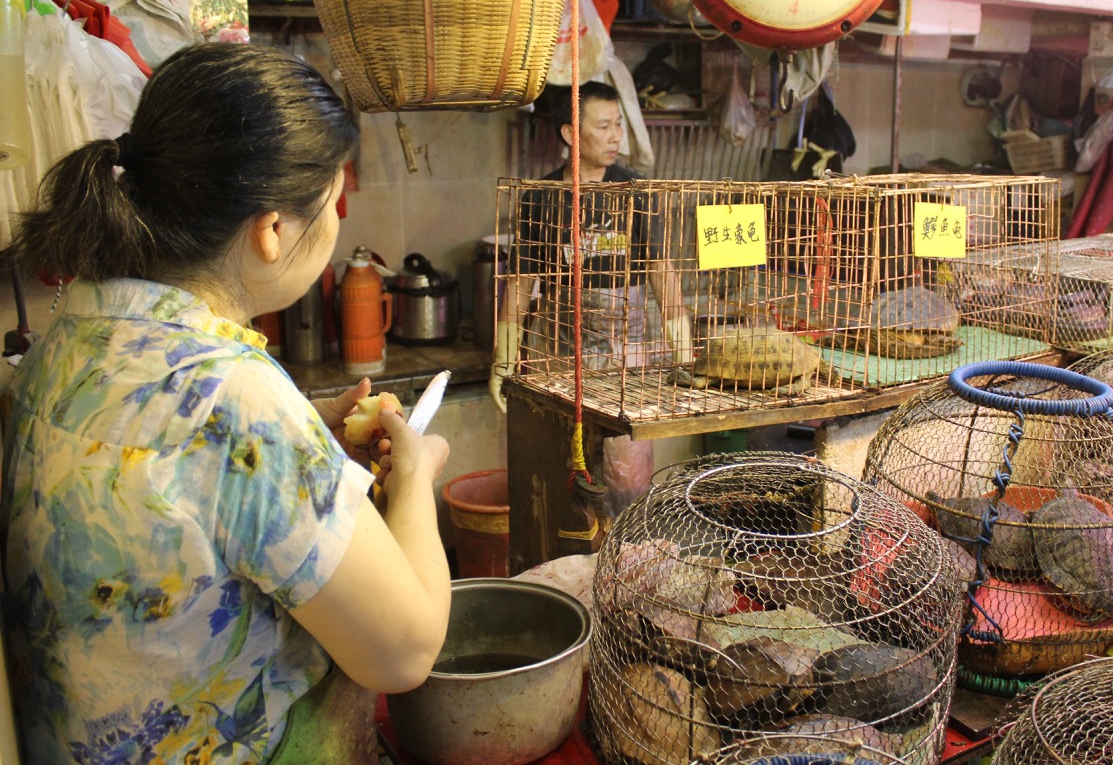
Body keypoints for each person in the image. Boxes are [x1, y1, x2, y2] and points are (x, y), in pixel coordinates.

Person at [0, 43, 451, 764]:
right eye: (333, 201)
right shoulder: (237, 403)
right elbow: (406, 649)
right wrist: (416, 478)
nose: (336, 221)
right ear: (272, 231)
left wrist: (310, 440)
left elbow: (186, 478)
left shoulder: (72, 334)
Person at [488, 81, 691, 511]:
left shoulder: (636, 191)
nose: (617, 135)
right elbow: (522, 279)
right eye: (604, 126)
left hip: (626, 357)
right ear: (569, 134)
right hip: (561, 351)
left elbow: (660, 269)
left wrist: (682, 343)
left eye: (619, 124)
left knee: (626, 476)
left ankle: (623, 562)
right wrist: (504, 356)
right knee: (563, 469)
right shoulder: (542, 198)